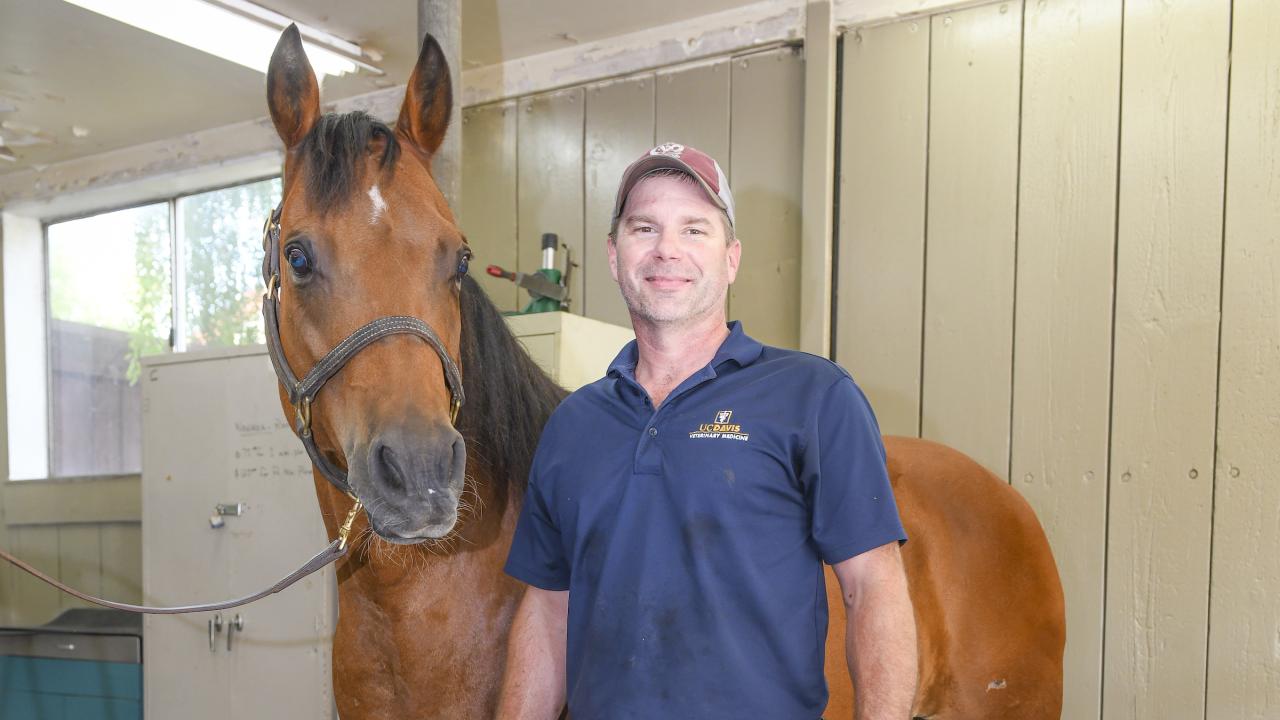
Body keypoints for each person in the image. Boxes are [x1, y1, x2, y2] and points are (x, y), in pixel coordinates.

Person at [495, 142, 917, 719]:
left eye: (694, 230)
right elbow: (548, 610)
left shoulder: (813, 396)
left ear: (732, 258)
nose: (667, 249)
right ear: (614, 255)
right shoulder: (573, 424)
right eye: (645, 228)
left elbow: (872, 587)